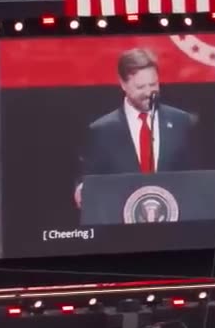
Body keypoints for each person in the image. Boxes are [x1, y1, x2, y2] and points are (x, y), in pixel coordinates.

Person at [74, 47, 201, 208]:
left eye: (153, 84)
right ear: (123, 84)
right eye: (141, 87)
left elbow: (197, 178)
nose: (149, 92)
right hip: (121, 225)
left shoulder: (182, 122)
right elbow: (88, 177)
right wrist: (82, 188)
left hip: (174, 222)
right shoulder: (102, 130)